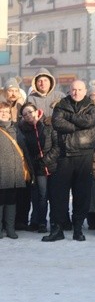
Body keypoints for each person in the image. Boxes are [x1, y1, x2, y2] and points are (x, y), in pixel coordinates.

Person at [43, 80, 95, 242]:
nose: (76, 92)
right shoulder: (61, 104)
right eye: (73, 89)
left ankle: (78, 228)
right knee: (58, 195)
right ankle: (58, 229)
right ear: (69, 90)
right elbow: (57, 123)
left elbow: (89, 122)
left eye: (79, 89)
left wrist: (70, 118)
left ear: (85, 90)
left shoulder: (92, 106)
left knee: (82, 194)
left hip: (84, 154)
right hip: (64, 155)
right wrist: (77, 125)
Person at [18, 103, 59, 233]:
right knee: (39, 196)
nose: (28, 116)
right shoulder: (23, 130)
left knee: (54, 196)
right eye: (25, 114)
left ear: (37, 111)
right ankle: (39, 222)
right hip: (37, 168)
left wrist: (46, 160)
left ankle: (55, 222)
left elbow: (57, 145)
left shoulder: (48, 125)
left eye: (30, 112)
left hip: (52, 165)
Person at [0, 101, 32, 239]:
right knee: (1, 201)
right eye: (1, 111)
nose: (4, 114)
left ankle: (10, 228)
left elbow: (24, 150)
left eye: (6, 112)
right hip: (1, 172)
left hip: (14, 171)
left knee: (12, 201)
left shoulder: (16, 129)